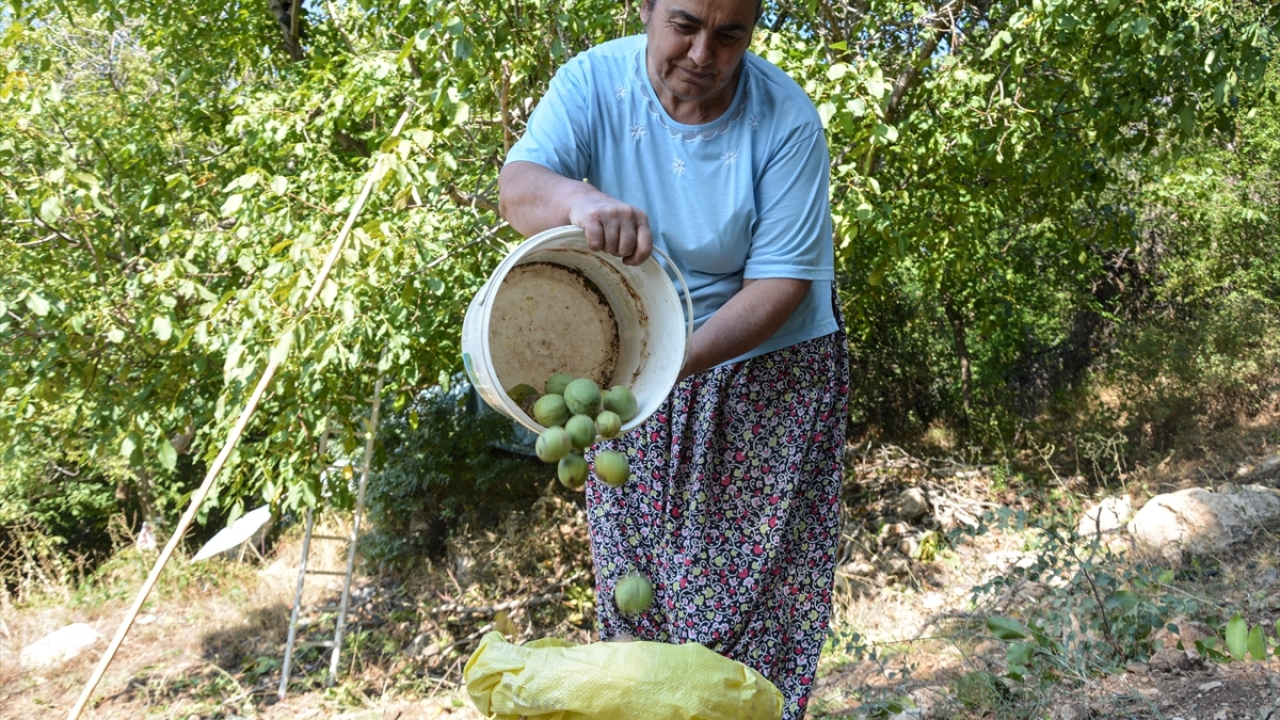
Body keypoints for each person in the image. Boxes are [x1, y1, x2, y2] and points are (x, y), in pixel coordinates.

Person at [497, 0, 848, 717]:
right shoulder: (594, 83)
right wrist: (577, 198)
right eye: (684, 24)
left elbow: (782, 283)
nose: (701, 53)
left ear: (752, 31)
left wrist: (671, 365)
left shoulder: (784, 120)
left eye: (729, 35)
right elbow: (518, 188)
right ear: (647, 10)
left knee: (741, 608)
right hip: (632, 361)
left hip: (767, 375)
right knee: (642, 591)